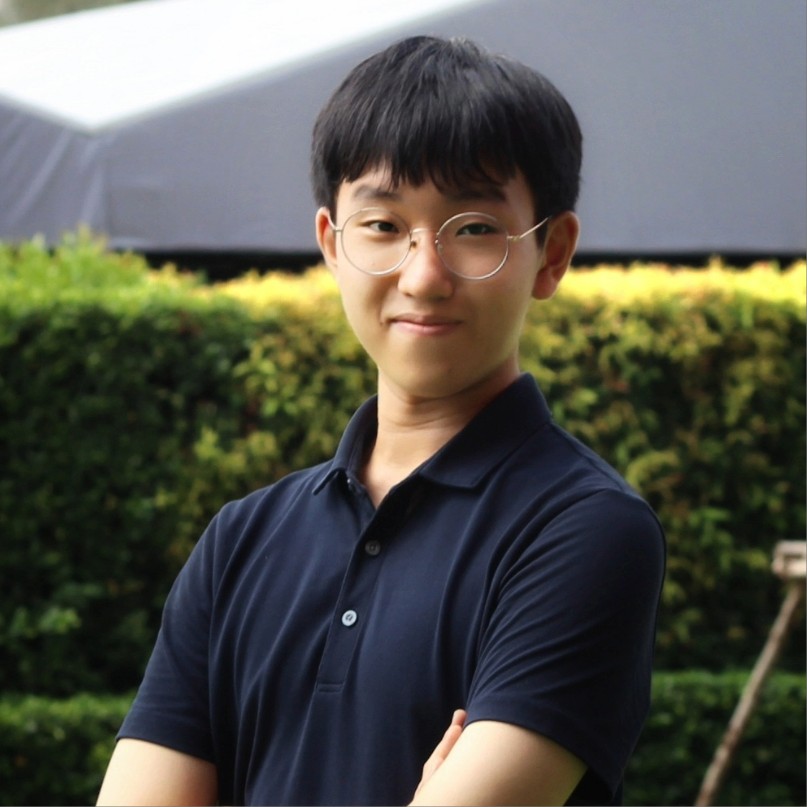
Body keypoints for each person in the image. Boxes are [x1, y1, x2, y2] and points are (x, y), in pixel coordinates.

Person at [97, 35, 665, 806]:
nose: (423, 275)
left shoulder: (584, 530)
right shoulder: (241, 539)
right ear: (332, 243)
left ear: (551, 253)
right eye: (383, 226)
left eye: (472, 230)